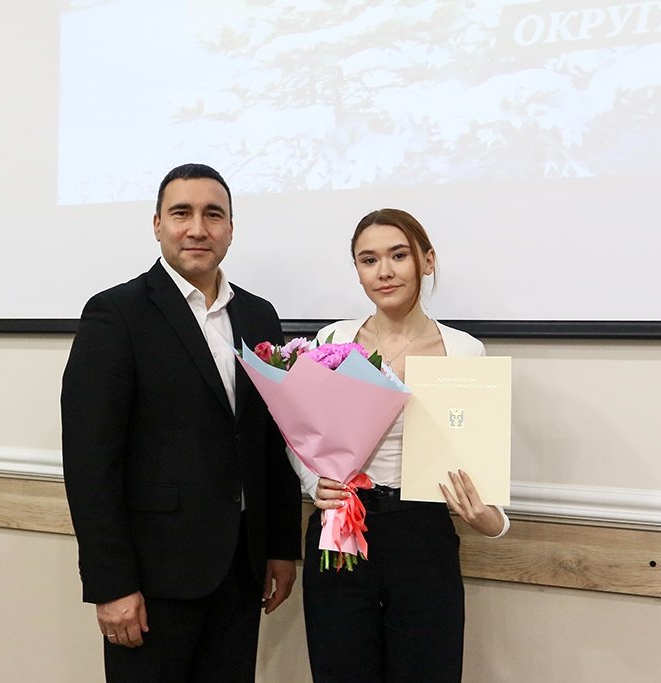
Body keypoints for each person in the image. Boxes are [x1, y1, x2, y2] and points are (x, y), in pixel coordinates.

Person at [61, 163, 303, 682]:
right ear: (157, 225)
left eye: (213, 214)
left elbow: (272, 440)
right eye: (181, 213)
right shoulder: (115, 314)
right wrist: (111, 584)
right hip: (152, 583)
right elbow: (90, 461)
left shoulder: (259, 316)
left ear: (231, 229)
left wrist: (281, 547)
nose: (197, 228)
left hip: (241, 572)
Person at [288, 208, 510, 683]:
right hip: (343, 528)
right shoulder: (332, 339)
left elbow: (481, 464)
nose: (384, 271)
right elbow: (301, 433)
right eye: (368, 260)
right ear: (357, 271)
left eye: (398, 255)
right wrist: (313, 483)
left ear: (427, 261)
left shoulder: (463, 351)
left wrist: (490, 518)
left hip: (422, 534)